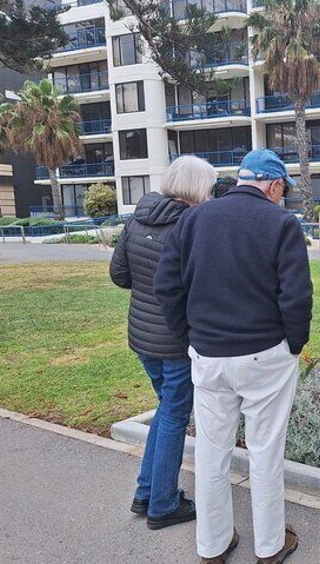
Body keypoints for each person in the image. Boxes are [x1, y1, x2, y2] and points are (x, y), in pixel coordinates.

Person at [154, 149, 312, 564]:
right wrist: (295, 345)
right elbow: (295, 296)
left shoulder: (193, 219)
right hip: (264, 355)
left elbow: (165, 286)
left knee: (211, 453)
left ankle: (213, 545)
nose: (282, 198)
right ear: (274, 186)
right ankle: (270, 545)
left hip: (209, 353)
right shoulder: (281, 223)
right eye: (283, 191)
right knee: (265, 452)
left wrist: (190, 336)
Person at [109, 155, 217, 530]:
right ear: (197, 187)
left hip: (141, 337)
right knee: (173, 414)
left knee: (164, 409)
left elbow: (119, 274)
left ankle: (145, 492)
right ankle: (163, 503)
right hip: (176, 339)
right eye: (209, 186)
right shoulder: (190, 224)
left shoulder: (137, 217)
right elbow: (200, 283)